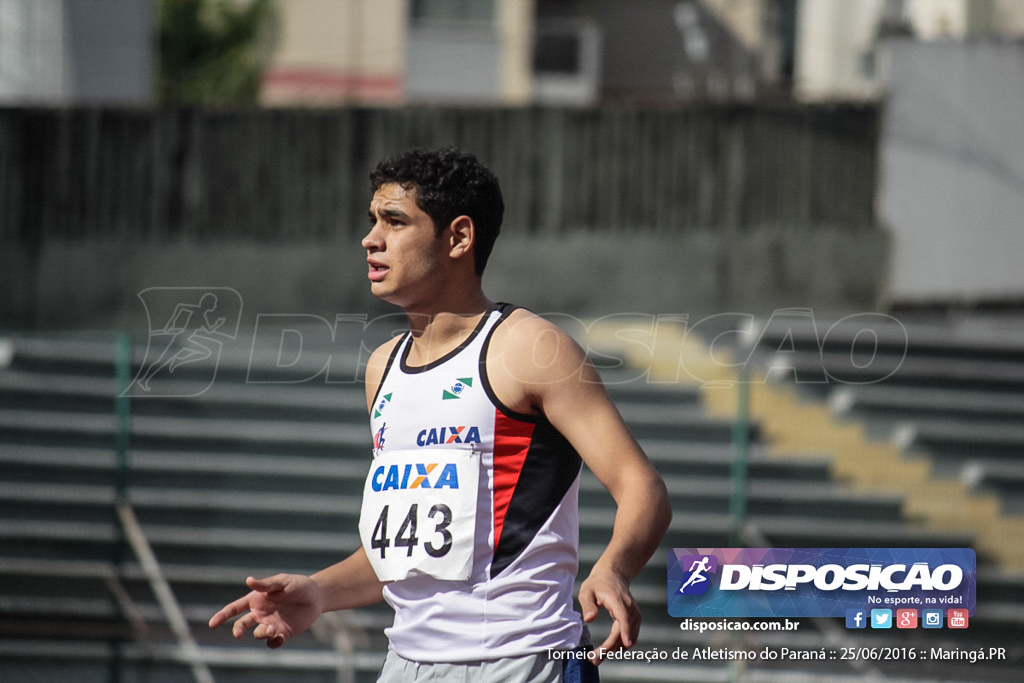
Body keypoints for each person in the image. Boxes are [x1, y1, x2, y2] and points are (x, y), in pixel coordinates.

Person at [209, 147, 672, 682]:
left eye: (395, 221)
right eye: (372, 221)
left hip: (521, 661)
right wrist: (319, 592)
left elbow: (643, 487)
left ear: (458, 238)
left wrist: (613, 569)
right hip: (406, 665)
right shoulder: (382, 368)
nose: (370, 239)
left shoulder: (529, 349)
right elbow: (407, 557)